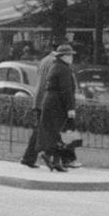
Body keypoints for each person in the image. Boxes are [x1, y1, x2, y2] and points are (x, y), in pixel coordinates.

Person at [34, 43, 78, 172]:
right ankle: (53, 158)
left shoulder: (55, 66)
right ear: (63, 56)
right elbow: (66, 90)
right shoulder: (64, 69)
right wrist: (70, 108)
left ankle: (54, 159)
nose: (72, 57)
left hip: (50, 102)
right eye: (69, 55)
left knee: (56, 132)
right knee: (62, 132)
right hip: (59, 104)